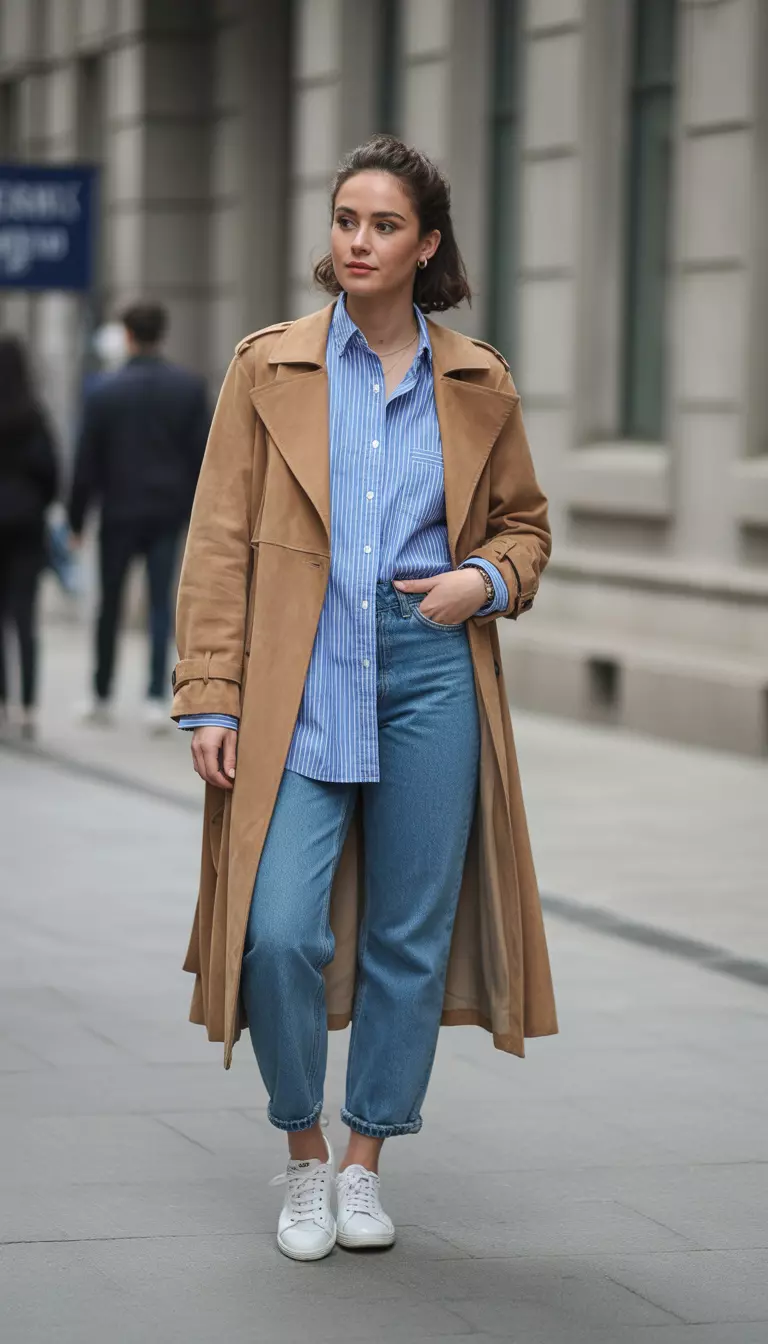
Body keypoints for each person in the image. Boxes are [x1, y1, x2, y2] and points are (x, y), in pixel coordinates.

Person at [172, 135, 558, 1262]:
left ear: (426, 245)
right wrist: (210, 696)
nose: (358, 241)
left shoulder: (477, 378)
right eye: (346, 220)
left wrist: (477, 583)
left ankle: (363, 1160)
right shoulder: (268, 368)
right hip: (297, 675)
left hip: (430, 669)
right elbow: (218, 543)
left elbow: (527, 528)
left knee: (408, 932)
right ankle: (301, 1153)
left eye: (384, 225)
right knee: (279, 930)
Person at [68, 302, 209, 731]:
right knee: (161, 605)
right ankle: (155, 695)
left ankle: (102, 692)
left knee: (109, 604)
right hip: (167, 512)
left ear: (127, 335)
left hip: (119, 512)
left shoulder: (103, 391)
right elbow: (203, 457)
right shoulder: (188, 388)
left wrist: (76, 520)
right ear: (161, 334)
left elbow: (86, 462)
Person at [0, 336, 59, 740]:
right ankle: (29, 707)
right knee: (25, 618)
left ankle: (3, 704)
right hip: (26, 525)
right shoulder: (33, 414)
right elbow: (51, 471)